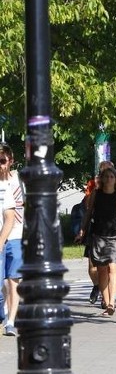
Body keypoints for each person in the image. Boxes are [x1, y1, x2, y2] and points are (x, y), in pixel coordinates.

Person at [77, 167, 116, 316]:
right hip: (98, 235)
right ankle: (106, 302)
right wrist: (82, 230)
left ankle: (112, 303)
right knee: (101, 270)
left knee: (113, 268)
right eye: (106, 177)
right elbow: (88, 213)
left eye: (111, 177)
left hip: (115, 235)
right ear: (102, 179)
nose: (108, 179)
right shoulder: (96, 194)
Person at [82, 160, 114, 305]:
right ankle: (97, 286)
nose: (106, 177)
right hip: (95, 230)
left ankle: (106, 298)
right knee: (92, 267)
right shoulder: (93, 186)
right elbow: (88, 207)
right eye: (103, 174)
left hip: (112, 232)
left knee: (109, 267)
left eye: (109, 174)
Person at [0, 144, 18, 336]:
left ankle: (11, 321)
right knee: (3, 282)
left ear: (11, 161)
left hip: (18, 235)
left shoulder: (19, 181)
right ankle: (3, 310)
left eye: (3, 161)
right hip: (3, 235)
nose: (0, 165)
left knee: (13, 280)